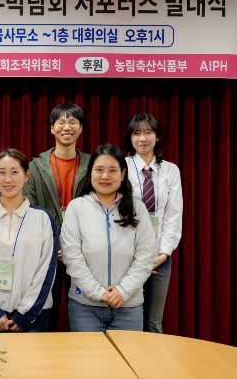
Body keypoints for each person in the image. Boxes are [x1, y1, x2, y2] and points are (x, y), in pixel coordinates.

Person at [61, 144, 155, 333]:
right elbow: (72, 257)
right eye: (99, 170)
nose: (105, 176)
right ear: (90, 173)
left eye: (112, 170)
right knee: (88, 354)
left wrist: (123, 291)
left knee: (127, 354)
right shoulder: (76, 208)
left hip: (128, 305)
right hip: (85, 307)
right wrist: (98, 293)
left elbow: (145, 256)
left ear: (122, 174)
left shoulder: (138, 209)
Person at [0, 149, 59, 332]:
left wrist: (25, 314)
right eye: (2, 172)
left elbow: (46, 272)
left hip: (34, 318)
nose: (8, 179)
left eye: (15, 172)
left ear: (27, 175)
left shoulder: (43, 219)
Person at [23, 103, 91, 332]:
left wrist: (72, 248)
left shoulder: (93, 166)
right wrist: (56, 247)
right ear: (52, 128)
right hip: (47, 253)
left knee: (83, 316)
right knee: (46, 315)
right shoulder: (35, 167)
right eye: (61, 122)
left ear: (80, 128)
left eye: (72, 122)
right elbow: (30, 211)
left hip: (83, 253)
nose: (66, 127)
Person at [124, 113, 183, 334]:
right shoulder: (122, 167)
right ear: (130, 138)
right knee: (130, 320)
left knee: (153, 322)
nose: (142, 138)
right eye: (136, 133)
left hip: (160, 256)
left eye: (148, 132)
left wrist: (163, 254)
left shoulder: (170, 170)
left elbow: (173, 215)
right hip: (128, 256)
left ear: (157, 137)